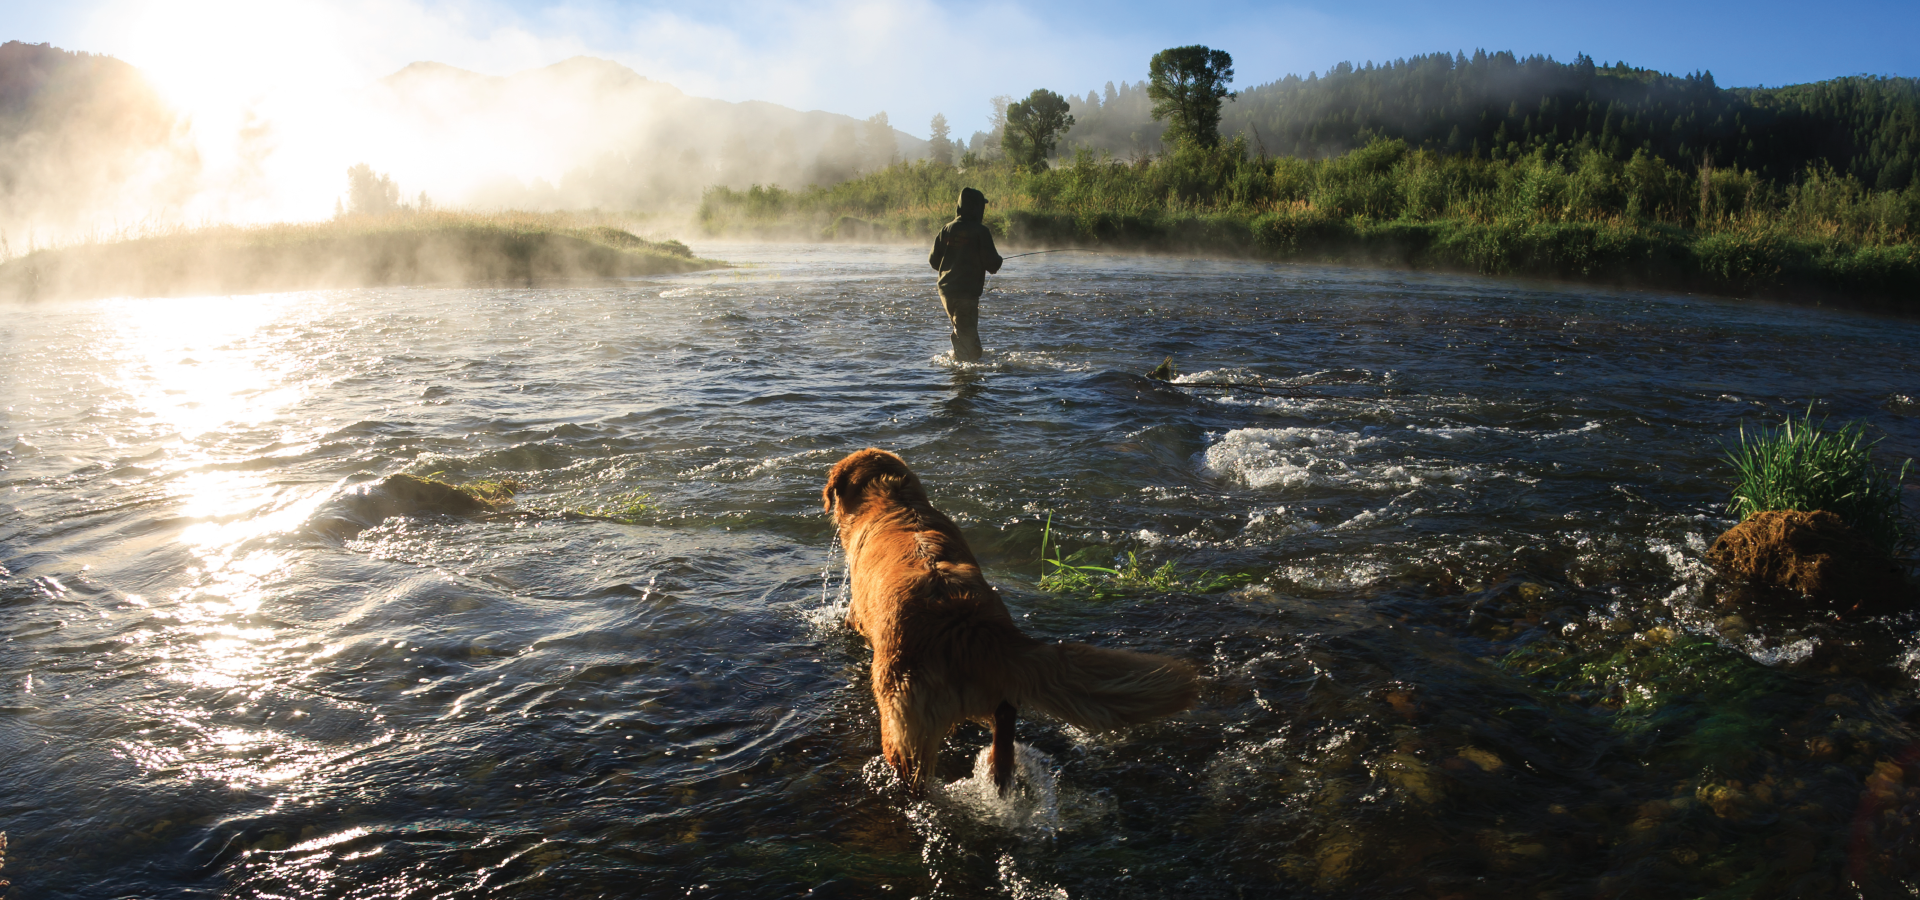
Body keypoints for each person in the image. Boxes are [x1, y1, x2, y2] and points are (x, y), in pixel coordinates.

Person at [927, 187, 1003, 362]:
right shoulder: (980, 231)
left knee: (963, 329)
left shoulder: (947, 229)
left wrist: (951, 267)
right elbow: (993, 264)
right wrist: (998, 261)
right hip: (966, 293)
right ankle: (964, 375)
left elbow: (933, 261)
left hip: (945, 292)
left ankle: (968, 364)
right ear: (976, 207)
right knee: (965, 334)